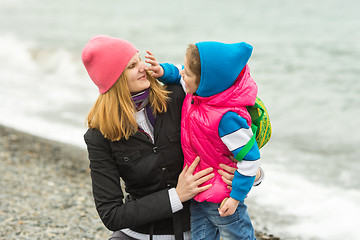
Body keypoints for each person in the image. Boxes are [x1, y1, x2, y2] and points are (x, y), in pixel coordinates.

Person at [81, 35, 237, 240]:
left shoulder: (179, 98)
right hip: (138, 235)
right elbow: (111, 215)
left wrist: (251, 175)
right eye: (132, 65)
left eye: (140, 60)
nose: (143, 67)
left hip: (200, 231)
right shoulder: (99, 135)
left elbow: (236, 134)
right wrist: (177, 196)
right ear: (114, 78)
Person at [145, 41, 261, 240]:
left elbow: (250, 159)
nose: (183, 74)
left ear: (205, 82)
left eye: (188, 73)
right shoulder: (198, 93)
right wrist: (161, 71)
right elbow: (178, 72)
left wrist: (236, 197)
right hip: (199, 193)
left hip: (222, 198)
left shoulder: (228, 118)